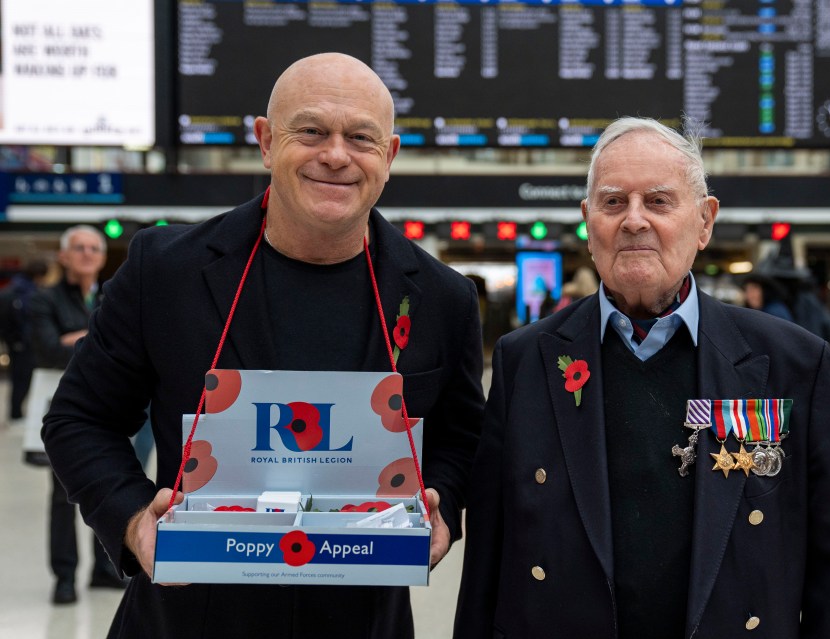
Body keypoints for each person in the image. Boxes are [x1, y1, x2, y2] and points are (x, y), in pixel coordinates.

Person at [42, 53, 484, 637]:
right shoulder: (165, 272)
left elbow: (462, 440)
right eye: (311, 131)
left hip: (361, 618)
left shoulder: (441, 297)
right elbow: (79, 419)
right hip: (186, 614)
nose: (335, 154)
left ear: (390, 156)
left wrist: (442, 507)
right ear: (266, 141)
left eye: (360, 138)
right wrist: (132, 521)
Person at [454, 117, 830, 638]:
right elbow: (487, 562)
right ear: (587, 222)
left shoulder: (793, 365)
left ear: (705, 221)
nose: (633, 220)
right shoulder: (524, 361)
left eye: (659, 201)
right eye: (612, 202)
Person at [28, 227, 126, 604]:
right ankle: (64, 575)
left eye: (94, 248)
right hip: (67, 412)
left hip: (116, 410)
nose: (86, 254)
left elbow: (126, 353)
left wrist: (77, 338)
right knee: (63, 495)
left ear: (102, 257)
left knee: (111, 486)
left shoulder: (111, 297)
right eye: (78, 248)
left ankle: (104, 568)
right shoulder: (45, 299)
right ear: (64, 256)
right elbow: (50, 351)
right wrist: (96, 342)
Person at [0, 258, 48, 424]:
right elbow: (24, 320)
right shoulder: (25, 292)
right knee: (22, 378)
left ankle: (16, 412)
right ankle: (16, 413)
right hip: (23, 343)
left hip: (16, 342)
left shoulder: (13, 288)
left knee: (18, 377)